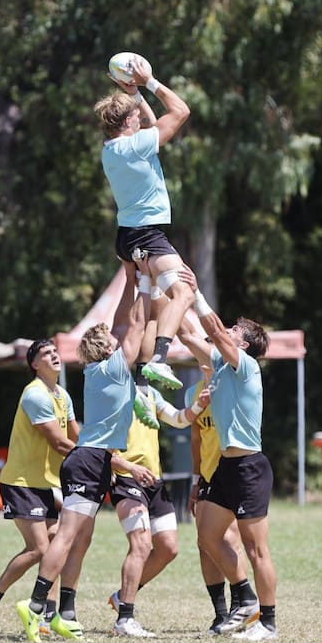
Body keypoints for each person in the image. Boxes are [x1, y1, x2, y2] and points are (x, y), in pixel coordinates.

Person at [16, 272, 158, 643]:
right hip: (87, 461)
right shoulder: (111, 368)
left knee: (81, 542)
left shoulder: (100, 370)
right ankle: (34, 608)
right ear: (107, 348)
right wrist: (144, 282)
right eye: (114, 339)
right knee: (65, 537)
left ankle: (65, 612)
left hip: (96, 461)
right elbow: (136, 321)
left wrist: (132, 277)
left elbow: (125, 319)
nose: (121, 340)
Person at [179, 281, 278, 641]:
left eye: (236, 330)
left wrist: (198, 295)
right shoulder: (220, 367)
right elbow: (190, 334)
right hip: (225, 467)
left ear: (244, 344)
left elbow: (214, 331)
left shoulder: (246, 365)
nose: (229, 332)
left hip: (250, 467)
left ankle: (268, 622)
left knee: (256, 549)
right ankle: (246, 597)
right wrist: (168, 290)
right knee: (207, 536)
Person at [94, 56, 193, 396]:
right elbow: (180, 112)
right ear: (127, 123)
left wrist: (134, 95)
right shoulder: (136, 145)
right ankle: (160, 359)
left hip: (126, 236)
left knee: (145, 312)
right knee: (183, 292)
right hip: (148, 235)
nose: (141, 115)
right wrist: (150, 82)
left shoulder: (113, 148)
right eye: (135, 113)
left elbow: (152, 123)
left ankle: (135, 382)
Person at [0, 339, 76, 635]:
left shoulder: (63, 395)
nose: (54, 355)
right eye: (46, 353)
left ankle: (47, 615)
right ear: (34, 364)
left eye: (55, 351)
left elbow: (75, 436)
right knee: (39, 548)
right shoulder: (34, 394)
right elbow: (58, 442)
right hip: (20, 483)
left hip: (43, 484)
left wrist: (93, 453)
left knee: (57, 545)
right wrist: (97, 460)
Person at [105, 370, 209, 637]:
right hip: (128, 478)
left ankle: (122, 597)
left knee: (169, 549)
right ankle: (124, 620)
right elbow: (100, 443)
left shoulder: (152, 394)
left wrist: (200, 404)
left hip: (154, 481)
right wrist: (122, 466)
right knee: (140, 546)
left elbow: (178, 419)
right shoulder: (116, 392)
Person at [183, 362, 246, 635]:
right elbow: (196, 439)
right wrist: (196, 479)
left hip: (233, 472)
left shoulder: (234, 384)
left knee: (229, 538)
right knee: (204, 543)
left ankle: (241, 606)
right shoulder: (192, 393)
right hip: (208, 476)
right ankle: (221, 613)